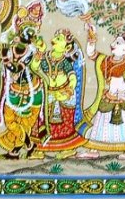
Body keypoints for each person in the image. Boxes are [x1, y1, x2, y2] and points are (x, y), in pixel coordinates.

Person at [76, 23, 125, 159]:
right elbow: (91, 53)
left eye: (118, 43)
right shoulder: (105, 60)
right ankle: (94, 150)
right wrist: (92, 37)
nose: (112, 44)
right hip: (108, 97)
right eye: (114, 41)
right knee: (101, 125)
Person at [0, 1, 48, 159]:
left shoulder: (30, 53)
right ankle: (29, 145)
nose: (26, 37)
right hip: (13, 91)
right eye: (24, 32)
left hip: (33, 92)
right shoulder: (9, 49)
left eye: (30, 35)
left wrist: (5, 56)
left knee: (25, 123)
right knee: (10, 120)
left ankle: (16, 152)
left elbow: (16, 68)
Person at [33, 28, 86, 157]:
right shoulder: (45, 57)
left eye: (58, 39)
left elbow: (72, 76)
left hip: (63, 94)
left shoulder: (65, 62)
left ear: (67, 48)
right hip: (48, 93)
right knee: (42, 121)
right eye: (55, 38)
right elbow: (35, 68)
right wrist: (38, 56)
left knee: (65, 124)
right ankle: (39, 148)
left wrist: (69, 89)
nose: (54, 40)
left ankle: (67, 148)